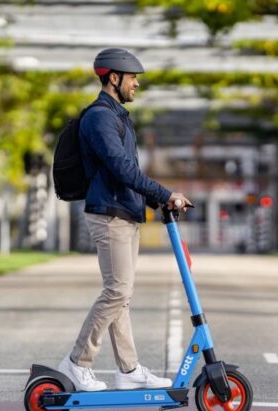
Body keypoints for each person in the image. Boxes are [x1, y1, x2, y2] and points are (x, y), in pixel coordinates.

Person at [57, 48, 193, 391]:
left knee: (122, 295)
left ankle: (129, 369)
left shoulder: (117, 116)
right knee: (116, 291)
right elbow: (121, 168)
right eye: (132, 78)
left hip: (124, 213)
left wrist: (156, 199)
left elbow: (127, 173)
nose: (136, 84)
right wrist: (165, 193)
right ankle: (76, 362)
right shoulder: (100, 117)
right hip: (109, 215)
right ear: (113, 78)